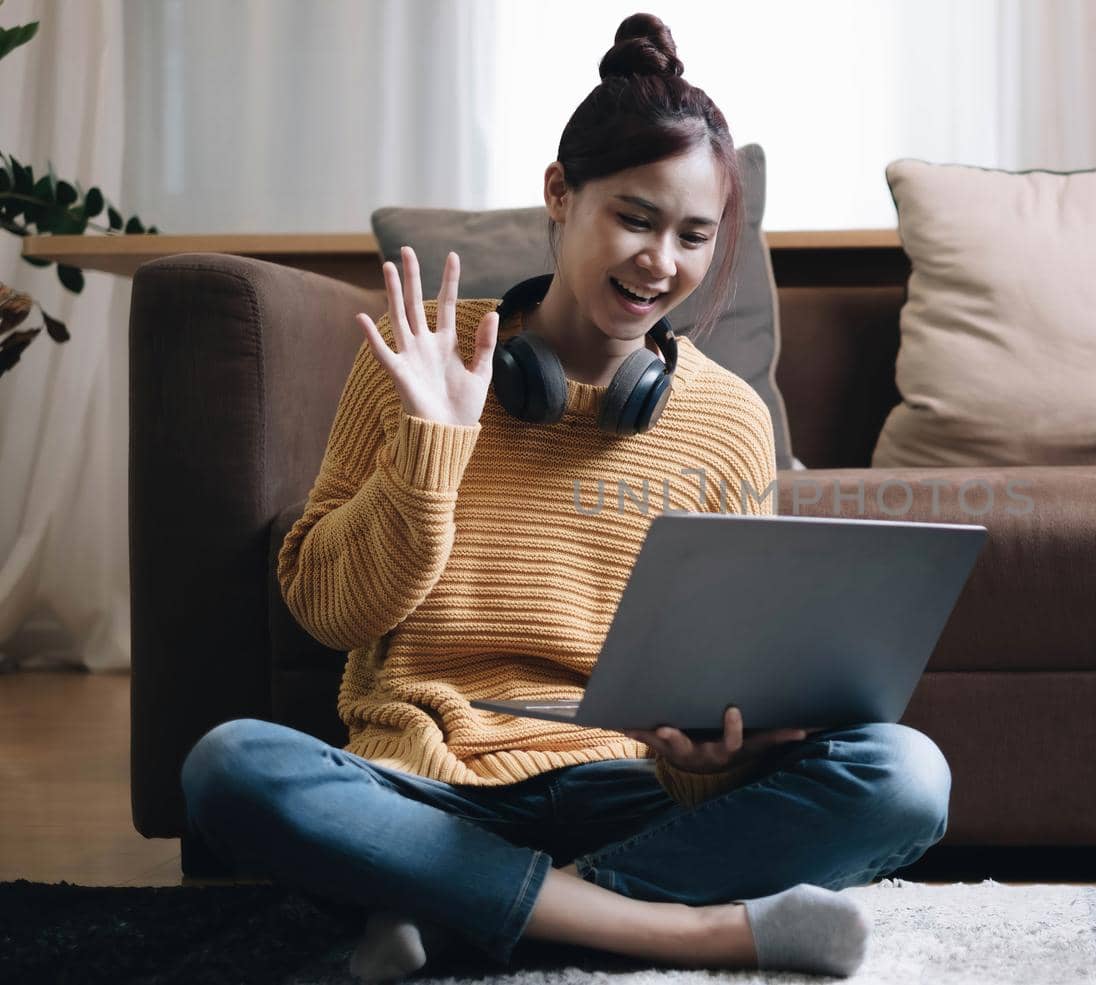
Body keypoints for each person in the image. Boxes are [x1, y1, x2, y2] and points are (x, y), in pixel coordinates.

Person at [177, 12, 951, 983]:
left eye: (693, 235)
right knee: (230, 765)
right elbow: (330, 614)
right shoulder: (416, 358)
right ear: (559, 192)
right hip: (429, 783)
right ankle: (682, 930)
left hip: (631, 788)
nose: (659, 262)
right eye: (634, 216)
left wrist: (708, 756)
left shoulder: (728, 419)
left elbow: (725, 681)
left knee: (906, 774)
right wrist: (435, 447)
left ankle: (450, 909)